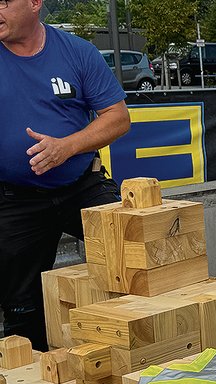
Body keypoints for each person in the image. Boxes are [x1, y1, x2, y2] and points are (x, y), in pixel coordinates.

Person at [0, 0, 130, 350]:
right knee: (21, 307)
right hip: (14, 199)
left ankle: (132, 353)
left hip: (81, 186)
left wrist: (66, 147)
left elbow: (118, 118)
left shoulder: (77, 52)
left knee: (132, 254)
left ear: (34, 3)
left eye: (3, 2)